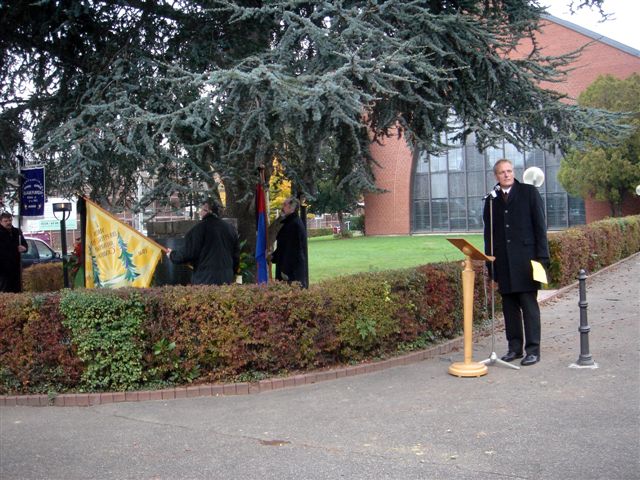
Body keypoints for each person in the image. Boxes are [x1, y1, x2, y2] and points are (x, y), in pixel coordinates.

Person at [483, 159, 550, 366]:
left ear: (514, 172)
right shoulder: (491, 199)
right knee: (509, 308)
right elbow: (489, 234)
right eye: (502, 172)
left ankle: (533, 350)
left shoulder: (529, 192)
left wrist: (543, 258)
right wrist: (490, 263)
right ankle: (514, 348)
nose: (506, 175)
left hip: (526, 261)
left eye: (509, 171)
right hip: (503, 262)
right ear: (496, 175)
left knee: (529, 307)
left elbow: (540, 227)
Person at [166, 199, 240, 286]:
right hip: (226, 279)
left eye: (202, 209)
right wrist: (232, 272)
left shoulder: (198, 229)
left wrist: (172, 255)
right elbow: (236, 256)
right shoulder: (230, 229)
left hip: (204, 280)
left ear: (208, 211)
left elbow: (188, 253)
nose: (200, 212)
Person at [271, 196, 308, 288]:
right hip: (286, 268)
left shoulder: (294, 224)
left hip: (291, 272)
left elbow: (293, 250)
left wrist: (285, 271)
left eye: (285, 205)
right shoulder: (289, 223)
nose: (282, 207)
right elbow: (283, 246)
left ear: (292, 208)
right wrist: (273, 256)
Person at [0, 212, 28, 293]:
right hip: (3, 268)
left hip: (16, 267)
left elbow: (24, 244)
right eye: (5, 221)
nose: (8, 222)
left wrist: (24, 248)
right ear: (0, 222)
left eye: (10, 220)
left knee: (17, 290)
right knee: (5, 290)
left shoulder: (17, 232)